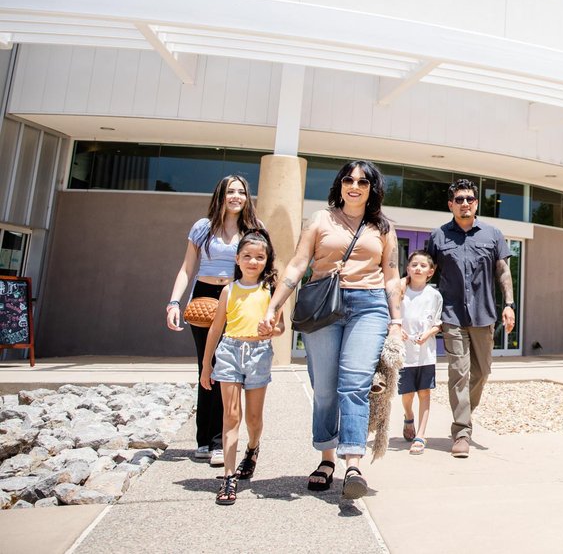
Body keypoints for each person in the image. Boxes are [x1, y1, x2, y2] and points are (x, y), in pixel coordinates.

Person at [260, 161, 401, 501]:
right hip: (324, 305)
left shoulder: (382, 227)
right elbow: (296, 265)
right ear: (340, 185)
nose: (355, 185)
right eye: (349, 180)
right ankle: (326, 458)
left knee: (354, 382)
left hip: (369, 307)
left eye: (363, 181)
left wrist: (396, 322)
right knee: (324, 387)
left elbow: (392, 276)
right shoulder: (321, 219)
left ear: (372, 189)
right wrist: (274, 305)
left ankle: (353, 463)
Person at [164, 175, 263, 468]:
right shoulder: (202, 228)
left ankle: (220, 441)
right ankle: (203, 440)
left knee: (226, 369)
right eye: (230, 191)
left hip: (235, 298)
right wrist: (173, 302)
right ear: (221, 195)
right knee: (205, 367)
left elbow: (264, 265)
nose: (236, 196)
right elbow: (186, 268)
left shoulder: (254, 229)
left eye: (241, 192)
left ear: (247, 197)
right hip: (203, 300)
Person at [426, 178, 514, 459]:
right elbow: (425, 271)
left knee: (482, 372)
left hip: (484, 314)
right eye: (460, 199)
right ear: (451, 204)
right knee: (459, 373)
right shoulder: (438, 236)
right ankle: (461, 431)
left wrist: (509, 304)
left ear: (476, 203)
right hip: (451, 314)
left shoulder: (493, 234)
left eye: (470, 199)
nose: (465, 204)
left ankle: (464, 411)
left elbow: (503, 271)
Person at [200, 230, 284, 505]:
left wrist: (271, 328)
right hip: (229, 352)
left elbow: (281, 327)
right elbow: (215, 328)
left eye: (259, 257)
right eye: (247, 256)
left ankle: (252, 448)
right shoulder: (229, 290)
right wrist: (205, 364)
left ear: (266, 260)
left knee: (253, 419)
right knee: (231, 416)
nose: (252, 261)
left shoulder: (270, 291)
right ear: (237, 259)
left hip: (258, 354)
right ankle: (228, 476)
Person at [395, 249, 443, 456]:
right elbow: (392, 316)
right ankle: (408, 416)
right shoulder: (400, 291)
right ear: (407, 268)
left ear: (430, 272)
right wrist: (399, 330)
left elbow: (439, 323)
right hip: (404, 354)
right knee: (407, 395)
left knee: (424, 393)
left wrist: (428, 333)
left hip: (426, 354)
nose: (418, 268)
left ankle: (421, 435)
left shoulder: (434, 295)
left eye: (423, 266)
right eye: (414, 264)